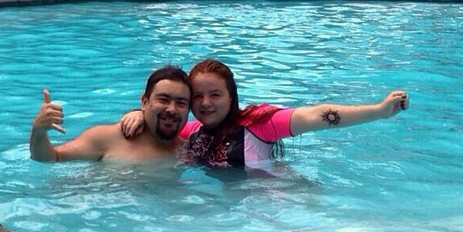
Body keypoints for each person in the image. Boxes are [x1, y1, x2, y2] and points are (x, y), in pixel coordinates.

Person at [120, 58, 410, 169]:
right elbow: (160, 125)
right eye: (198, 96)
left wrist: (378, 110)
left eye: (215, 95)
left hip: (270, 204)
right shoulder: (191, 130)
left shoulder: (260, 123)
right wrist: (136, 113)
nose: (206, 103)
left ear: (231, 97)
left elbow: (319, 115)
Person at [30, 65, 191, 163]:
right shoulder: (107, 138)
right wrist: (38, 131)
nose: (172, 109)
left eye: (181, 103)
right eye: (163, 99)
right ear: (144, 102)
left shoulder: (188, 151)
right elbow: (50, 159)